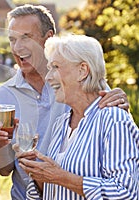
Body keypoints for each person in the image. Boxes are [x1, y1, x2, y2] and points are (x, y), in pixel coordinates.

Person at [0, 4, 130, 200]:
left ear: (48, 39)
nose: (17, 47)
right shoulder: (4, 95)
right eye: (12, 40)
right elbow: (5, 170)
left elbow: (111, 120)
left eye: (25, 37)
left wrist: (120, 105)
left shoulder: (77, 83)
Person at [18, 34, 139, 199]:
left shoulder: (114, 120)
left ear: (82, 70)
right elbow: (53, 190)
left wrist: (61, 177)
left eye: (55, 67)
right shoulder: (61, 123)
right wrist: (39, 175)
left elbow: (126, 193)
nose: (48, 76)